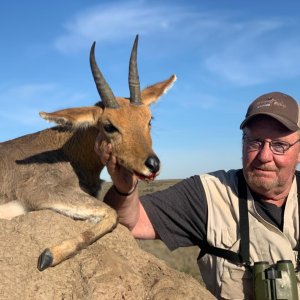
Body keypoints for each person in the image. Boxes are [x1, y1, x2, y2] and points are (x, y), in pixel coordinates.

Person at [95, 91, 300, 299]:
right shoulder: (209, 194)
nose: (264, 156)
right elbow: (131, 222)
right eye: (254, 142)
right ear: (243, 143)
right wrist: (124, 188)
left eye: (279, 145)